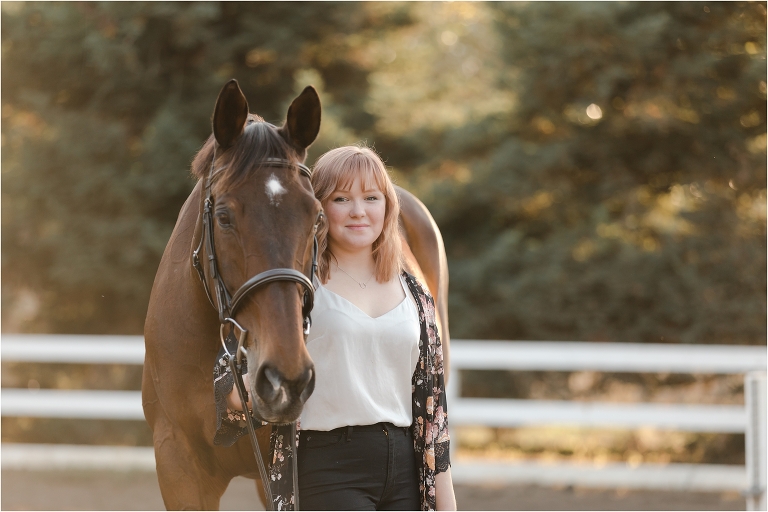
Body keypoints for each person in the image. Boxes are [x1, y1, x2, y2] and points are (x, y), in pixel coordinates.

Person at [213, 144, 455, 511]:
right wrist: (264, 386)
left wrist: (447, 505)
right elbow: (227, 388)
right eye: (342, 198)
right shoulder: (297, 292)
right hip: (328, 468)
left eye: (371, 197)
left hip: (407, 466)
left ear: (387, 206)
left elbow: (434, 411)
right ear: (319, 208)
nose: (359, 211)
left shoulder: (415, 294)